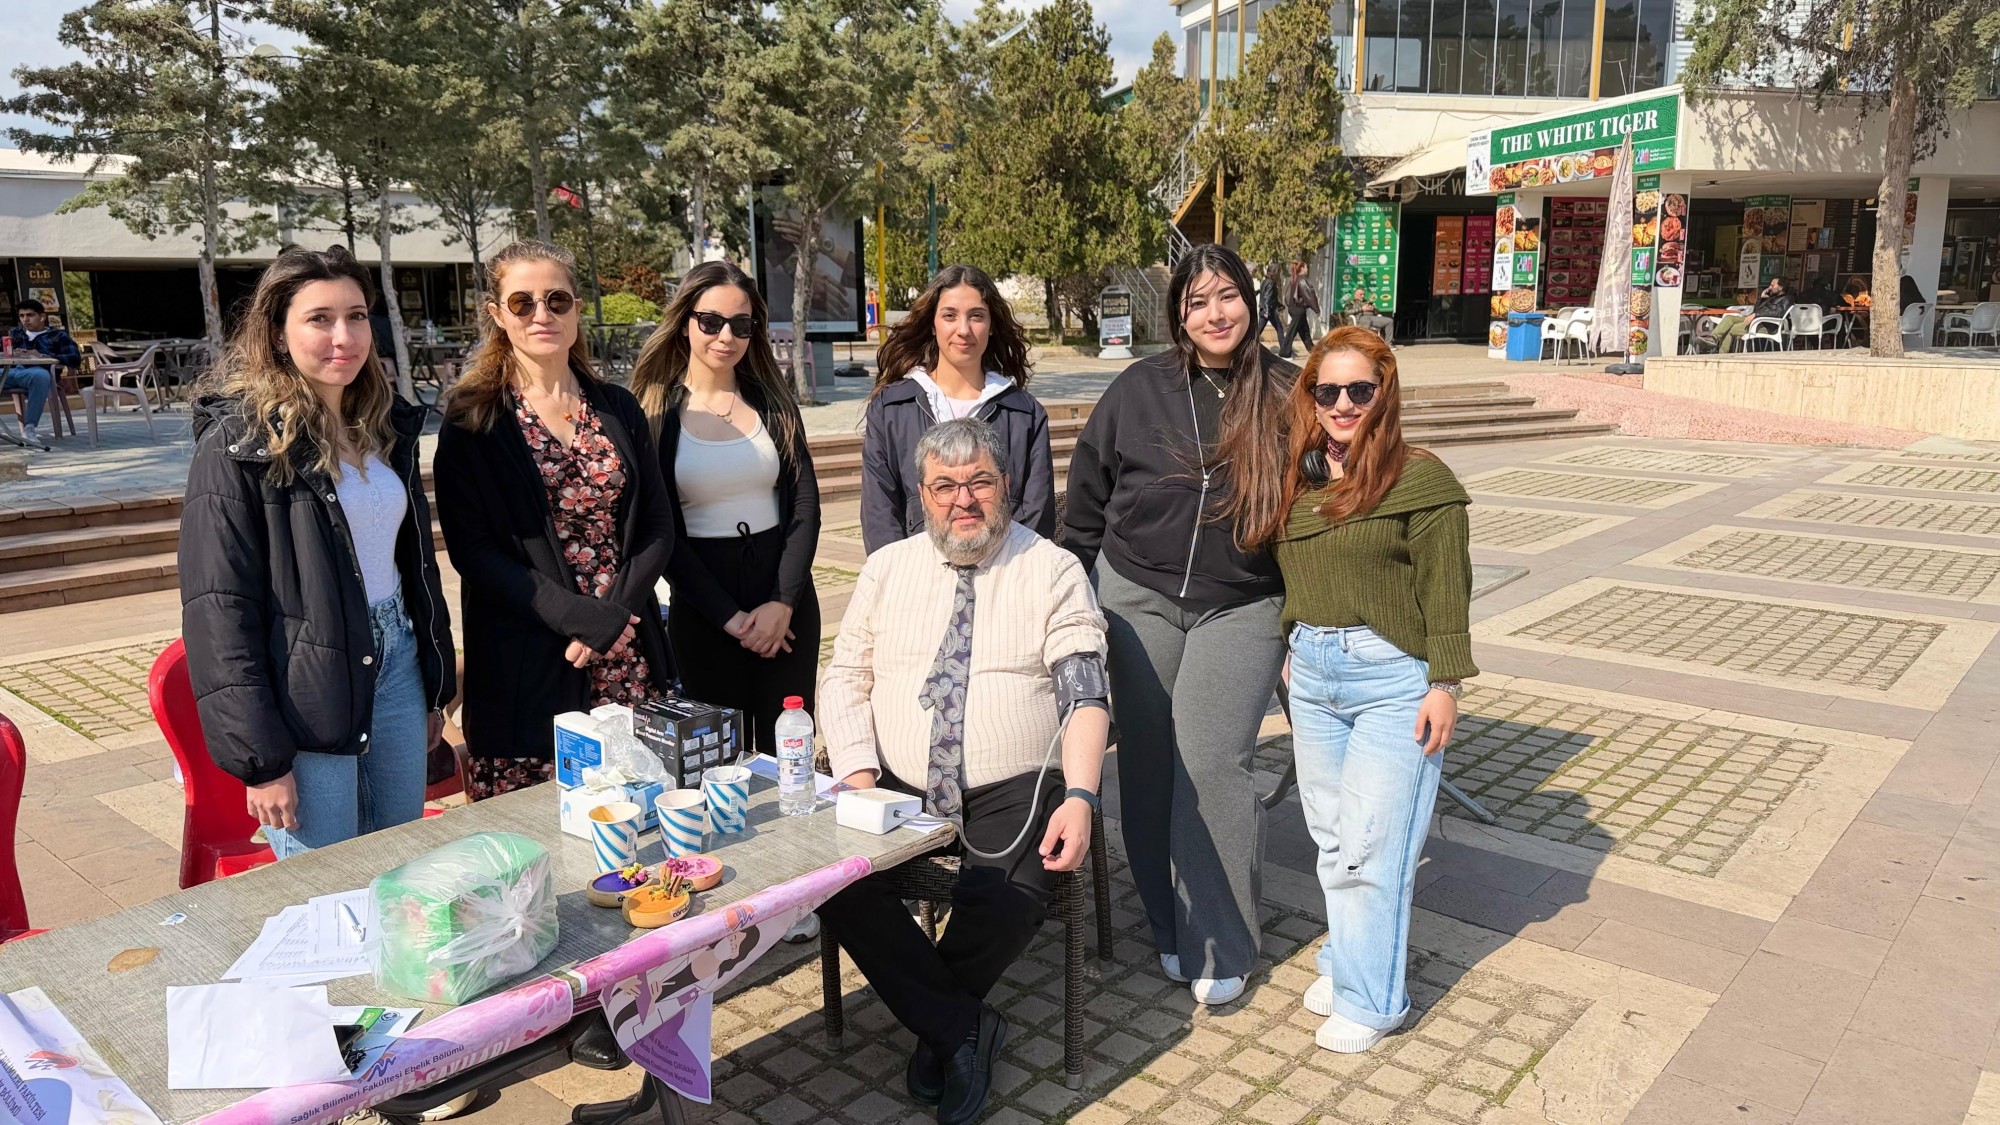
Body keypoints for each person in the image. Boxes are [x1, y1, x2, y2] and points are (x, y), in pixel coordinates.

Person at [817, 417, 1110, 1125]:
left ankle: (940, 1028)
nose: (964, 499)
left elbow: (1085, 690)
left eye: (979, 481)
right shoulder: (888, 568)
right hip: (897, 781)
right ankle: (960, 1026)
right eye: (945, 485)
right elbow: (846, 674)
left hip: (1015, 784)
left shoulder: (1051, 568)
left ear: (1004, 484)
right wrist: (858, 778)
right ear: (922, 494)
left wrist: (1080, 795)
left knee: (1010, 894)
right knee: (830, 879)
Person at [1061, 243, 1294, 1006]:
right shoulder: (1139, 388)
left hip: (1243, 600)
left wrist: (1308, 622)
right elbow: (1086, 497)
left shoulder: (1287, 392)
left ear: (1251, 301)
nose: (1215, 314)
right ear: (1179, 315)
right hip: (1136, 592)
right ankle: (1166, 921)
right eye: (1197, 302)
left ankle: (1222, 938)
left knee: (1212, 758)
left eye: (1228, 296)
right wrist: (1072, 592)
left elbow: (1316, 511)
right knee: (1149, 760)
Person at [178, 245, 453, 858]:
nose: (343, 337)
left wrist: (433, 687)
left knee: (401, 864)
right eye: (319, 319)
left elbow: (415, 569)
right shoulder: (238, 443)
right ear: (279, 333)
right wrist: (261, 761)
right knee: (327, 886)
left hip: (398, 663)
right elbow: (219, 609)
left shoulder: (385, 427)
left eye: (356, 316)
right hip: (307, 683)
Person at [1244, 326, 1475, 1054]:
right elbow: (1290, 575)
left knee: (1376, 848)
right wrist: (1292, 650)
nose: (1342, 404)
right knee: (1334, 840)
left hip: (1391, 679)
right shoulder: (1302, 478)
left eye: (1359, 390)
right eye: (1327, 390)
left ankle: (1374, 1000)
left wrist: (1445, 683)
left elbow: (1446, 588)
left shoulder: (1420, 479)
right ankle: (1347, 961)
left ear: (1385, 394)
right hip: (1314, 678)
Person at [433, 240, 677, 799]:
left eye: (557, 300)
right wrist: (576, 617)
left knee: (636, 814)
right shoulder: (474, 418)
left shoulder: (618, 406)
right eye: (522, 303)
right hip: (529, 655)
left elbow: (658, 526)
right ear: (498, 315)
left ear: (576, 309)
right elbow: (474, 550)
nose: (541, 314)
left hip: (626, 646)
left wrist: (613, 616)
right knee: (535, 828)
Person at [629, 260, 821, 758]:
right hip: (704, 608)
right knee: (719, 764)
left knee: (788, 756)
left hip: (784, 603)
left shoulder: (774, 401)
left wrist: (782, 602)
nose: (725, 337)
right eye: (711, 322)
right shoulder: (654, 413)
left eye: (740, 324)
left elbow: (804, 503)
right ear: (685, 322)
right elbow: (661, 530)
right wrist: (729, 618)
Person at [860, 264, 1054, 553]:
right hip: (916, 576)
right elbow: (880, 515)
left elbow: (1036, 515)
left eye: (976, 316)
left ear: (991, 326)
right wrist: (901, 575)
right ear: (933, 324)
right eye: (949, 316)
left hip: (1006, 572)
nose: (963, 330)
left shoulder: (1025, 413)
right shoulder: (891, 409)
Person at [4, 299, 79, 450]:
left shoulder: (57, 335)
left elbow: (75, 358)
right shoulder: (15, 334)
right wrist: (11, 353)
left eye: (30, 315)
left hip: (38, 373)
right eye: (22, 316)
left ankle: (29, 429)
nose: (25, 320)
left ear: (42, 317)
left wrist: (42, 355)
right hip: (12, 372)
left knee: (40, 376)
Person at [1713, 278, 1792, 352]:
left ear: (1780, 287)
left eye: (1772, 285)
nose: (1769, 287)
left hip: (1765, 325)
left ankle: (1722, 354)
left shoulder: (1787, 299)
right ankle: (1712, 338)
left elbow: (1777, 313)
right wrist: (1761, 298)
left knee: (1730, 329)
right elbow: (1756, 310)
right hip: (1756, 320)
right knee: (1729, 318)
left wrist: (1756, 315)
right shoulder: (1771, 297)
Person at [1284, 260, 1321, 356]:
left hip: (1294, 308)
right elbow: (1309, 296)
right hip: (1298, 309)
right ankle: (1284, 352)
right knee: (1292, 332)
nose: (1307, 269)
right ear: (1302, 268)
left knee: (1304, 331)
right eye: (1306, 267)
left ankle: (1313, 351)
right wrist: (1316, 310)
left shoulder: (1293, 279)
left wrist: (1290, 306)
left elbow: (1287, 296)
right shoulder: (1302, 280)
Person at [1259, 263, 1288, 353]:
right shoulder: (1271, 283)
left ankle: (1247, 347)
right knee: (1280, 329)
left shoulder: (1264, 281)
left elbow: (1271, 298)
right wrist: (1267, 311)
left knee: (1258, 330)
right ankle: (1284, 351)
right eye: (1278, 272)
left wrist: (1279, 305)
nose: (1279, 274)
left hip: (1263, 309)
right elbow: (1267, 297)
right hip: (1269, 311)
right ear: (1275, 272)